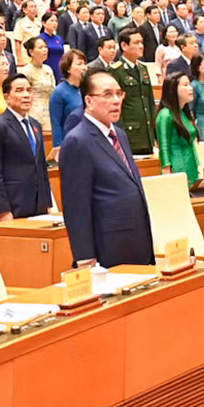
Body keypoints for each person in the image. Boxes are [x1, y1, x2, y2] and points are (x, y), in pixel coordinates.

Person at [58, 69, 155, 269]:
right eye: (107, 95)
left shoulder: (119, 134)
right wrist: (84, 257)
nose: (116, 100)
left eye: (119, 94)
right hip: (108, 249)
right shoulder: (78, 140)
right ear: (89, 101)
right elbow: (76, 206)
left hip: (138, 242)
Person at [0, 75, 52, 221]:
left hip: (38, 205)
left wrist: (47, 204)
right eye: (19, 90)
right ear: (7, 97)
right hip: (12, 206)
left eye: (29, 90)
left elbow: (41, 167)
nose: (26, 95)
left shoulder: (35, 125)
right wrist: (3, 210)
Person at [155, 73, 204, 191]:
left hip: (191, 164)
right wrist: (167, 175)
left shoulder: (183, 113)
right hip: (176, 167)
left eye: (190, 84)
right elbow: (164, 147)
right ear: (173, 89)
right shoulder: (165, 115)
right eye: (185, 85)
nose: (190, 88)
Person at [49, 48, 87, 142]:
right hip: (70, 140)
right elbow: (56, 124)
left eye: (84, 63)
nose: (84, 67)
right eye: (79, 64)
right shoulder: (59, 92)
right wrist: (58, 146)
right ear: (68, 68)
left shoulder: (88, 88)